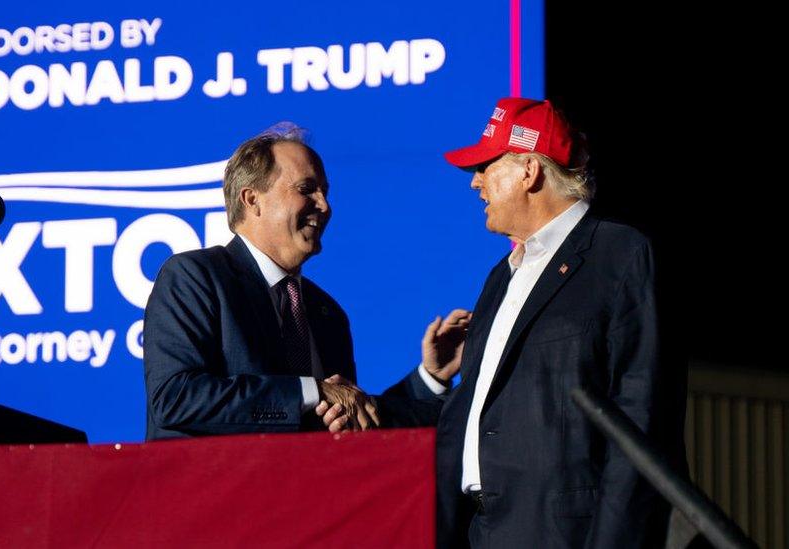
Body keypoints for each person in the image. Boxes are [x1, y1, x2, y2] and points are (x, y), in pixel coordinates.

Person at [318, 97, 673, 547]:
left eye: (486, 166)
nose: (475, 183)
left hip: (564, 534)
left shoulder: (618, 255)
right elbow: (470, 415)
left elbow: (640, 415)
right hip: (481, 531)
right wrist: (383, 401)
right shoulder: (501, 277)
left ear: (529, 171)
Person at [143, 124, 388, 440]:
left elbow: (351, 412)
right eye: (306, 189)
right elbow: (176, 398)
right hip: (214, 486)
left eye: (325, 192)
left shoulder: (326, 311)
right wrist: (310, 392)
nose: (325, 206)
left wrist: (428, 379)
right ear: (252, 199)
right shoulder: (195, 277)